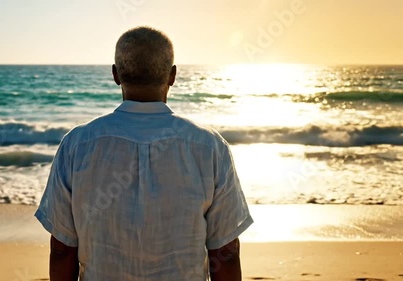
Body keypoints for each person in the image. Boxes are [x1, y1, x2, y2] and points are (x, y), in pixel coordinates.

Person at [35, 26, 253, 281]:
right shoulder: (209, 147)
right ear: (172, 76)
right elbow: (226, 250)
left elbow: (62, 248)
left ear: (116, 74)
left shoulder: (76, 145)